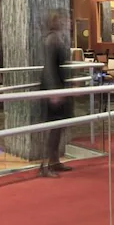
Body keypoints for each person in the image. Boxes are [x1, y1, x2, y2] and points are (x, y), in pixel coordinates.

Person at [40, 9, 72, 178]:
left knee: (58, 127)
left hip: (58, 86)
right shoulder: (52, 40)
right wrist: (54, 91)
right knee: (53, 127)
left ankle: (54, 161)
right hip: (53, 88)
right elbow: (50, 68)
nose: (67, 22)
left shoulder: (57, 38)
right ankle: (45, 165)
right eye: (63, 19)